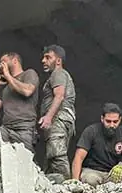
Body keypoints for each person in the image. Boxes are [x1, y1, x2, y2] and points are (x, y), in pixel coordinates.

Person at [71, 103, 122, 186]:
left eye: (115, 122)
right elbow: (79, 157)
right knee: (90, 179)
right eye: (108, 121)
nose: (111, 125)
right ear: (102, 119)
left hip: (116, 172)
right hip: (94, 171)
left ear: (120, 119)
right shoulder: (91, 131)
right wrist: (75, 182)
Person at [0, 52, 40, 153]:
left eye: (3, 62)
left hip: (23, 128)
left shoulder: (29, 73)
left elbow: (27, 91)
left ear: (15, 60)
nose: (0, 66)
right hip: (6, 129)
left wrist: (7, 75)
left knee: (25, 160)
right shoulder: (7, 88)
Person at [39, 45, 76, 180]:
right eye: (43, 57)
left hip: (59, 117)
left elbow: (59, 95)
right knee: (51, 159)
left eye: (48, 57)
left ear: (58, 61)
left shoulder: (58, 73)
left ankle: (66, 186)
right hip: (62, 118)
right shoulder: (59, 75)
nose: (43, 60)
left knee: (56, 154)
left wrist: (48, 117)